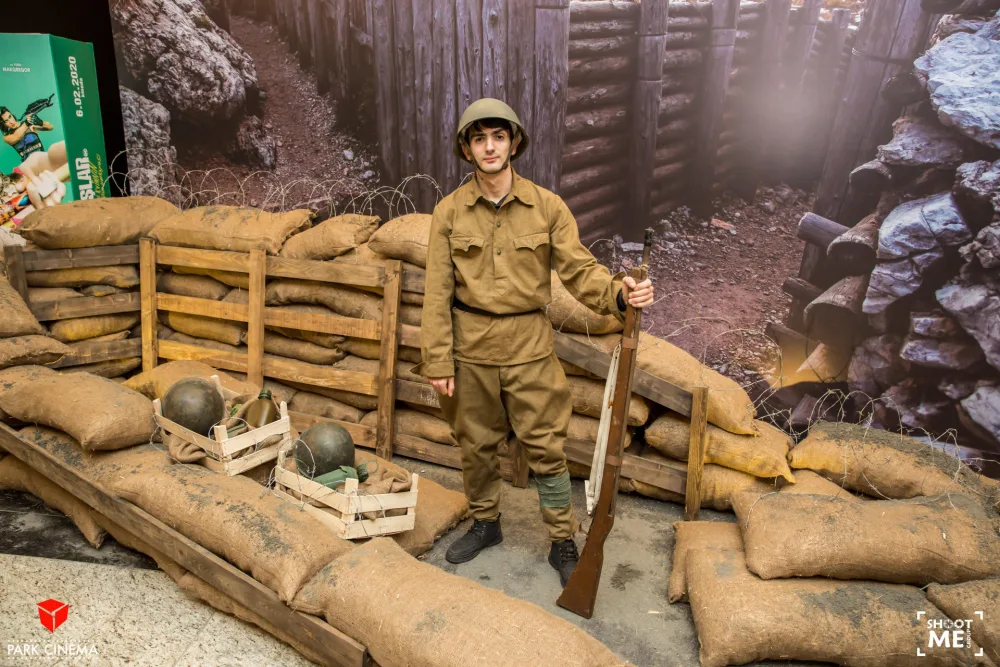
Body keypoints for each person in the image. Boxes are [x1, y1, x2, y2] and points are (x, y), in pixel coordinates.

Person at [416, 98, 654, 587]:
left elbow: (580, 271)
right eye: (479, 138)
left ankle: (562, 540)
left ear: (514, 143)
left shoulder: (547, 207)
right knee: (476, 446)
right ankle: (486, 524)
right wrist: (437, 359)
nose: (489, 146)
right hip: (470, 351)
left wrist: (619, 294)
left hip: (529, 348)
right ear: (467, 148)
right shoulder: (448, 213)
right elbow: (436, 292)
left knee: (546, 449)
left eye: (498, 136)